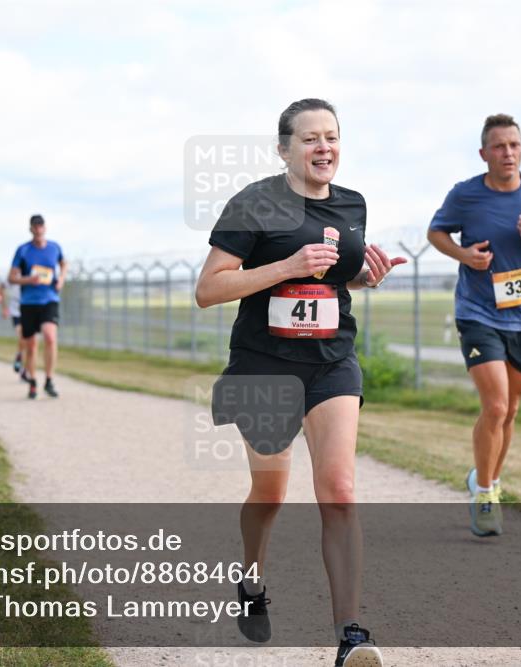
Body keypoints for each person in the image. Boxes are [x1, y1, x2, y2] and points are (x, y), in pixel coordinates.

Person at [195, 98, 405, 667]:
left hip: (332, 361)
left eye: (332, 136)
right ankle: (251, 579)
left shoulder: (352, 204)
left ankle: (350, 634)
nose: (323, 148)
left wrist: (365, 276)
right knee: (271, 494)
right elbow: (209, 288)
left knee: (338, 489)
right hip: (264, 365)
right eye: (310, 139)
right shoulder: (256, 202)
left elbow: (334, 279)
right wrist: (287, 266)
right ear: (284, 148)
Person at [427, 114, 521, 537]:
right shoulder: (466, 195)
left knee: (509, 410)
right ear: (483, 153)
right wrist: (464, 255)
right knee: (494, 406)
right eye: (498, 146)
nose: (507, 153)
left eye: (514, 145)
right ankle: (486, 493)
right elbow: (436, 232)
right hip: (478, 313)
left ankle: (485, 477)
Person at [9, 214, 66, 399]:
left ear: (45, 227)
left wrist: (61, 279)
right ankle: (33, 381)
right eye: (35, 226)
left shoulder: (54, 247)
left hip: (49, 299)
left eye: (41, 225)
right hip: (28, 302)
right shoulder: (23, 250)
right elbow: (12, 277)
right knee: (31, 345)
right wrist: (28, 279)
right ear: (31, 228)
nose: (38, 228)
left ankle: (49, 379)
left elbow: (64, 263)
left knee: (50, 336)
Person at [2, 282, 24, 374]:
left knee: (29, 341)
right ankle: (19, 357)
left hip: (30, 308)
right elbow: (2, 287)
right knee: (22, 336)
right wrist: (4, 307)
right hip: (16, 311)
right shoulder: (14, 273)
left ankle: (24, 365)